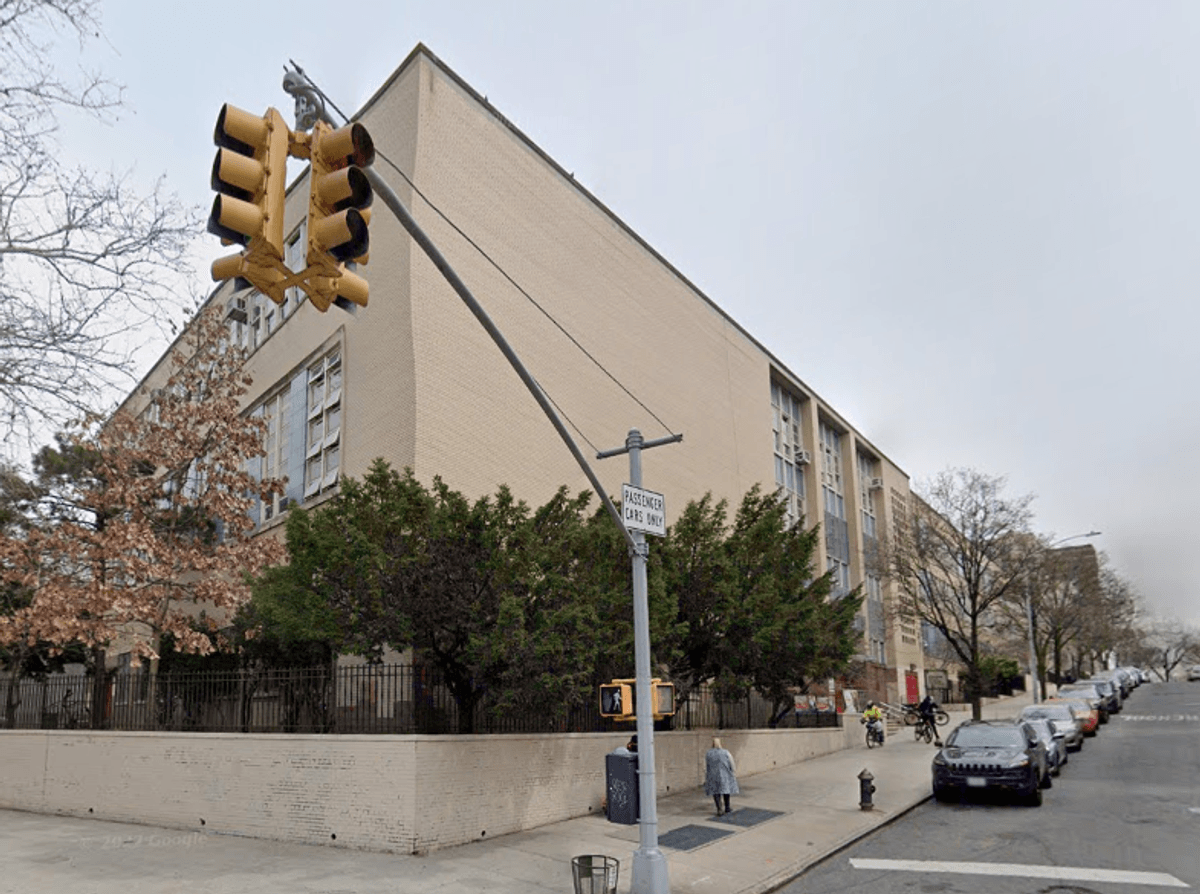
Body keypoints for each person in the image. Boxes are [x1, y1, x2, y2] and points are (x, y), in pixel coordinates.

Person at [704, 737, 739, 817]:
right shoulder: (726, 752)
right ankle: (727, 807)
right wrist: (733, 771)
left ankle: (719, 809)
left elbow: (706, 765)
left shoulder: (708, 753)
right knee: (726, 790)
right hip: (724, 774)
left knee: (716, 791)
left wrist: (707, 774)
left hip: (713, 775)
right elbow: (731, 762)